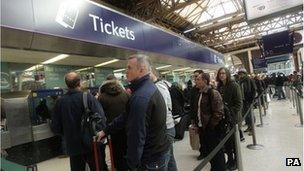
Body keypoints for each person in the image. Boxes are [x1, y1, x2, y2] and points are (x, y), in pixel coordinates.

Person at [96, 54, 170, 171]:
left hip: (149, 159)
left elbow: (136, 135)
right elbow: (126, 116)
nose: (126, 71)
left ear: (141, 70)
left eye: (129, 68)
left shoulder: (141, 97)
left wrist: (132, 164)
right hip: (158, 152)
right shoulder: (145, 89)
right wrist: (106, 131)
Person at [51, 72, 107, 171]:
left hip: (73, 146)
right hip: (91, 143)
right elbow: (101, 119)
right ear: (79, 83)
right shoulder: (88, 97)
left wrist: (67, 133)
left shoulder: (60, 102)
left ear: (66, 85)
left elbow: (55, 127)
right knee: (97, 167)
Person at [195, 72, 226, 171]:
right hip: (203, 128)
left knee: (217, 152)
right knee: (209, 151)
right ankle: (214, 167)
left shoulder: (213, 93)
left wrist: (210, 126)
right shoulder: (200, 93)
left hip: (212, 129)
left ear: (205, 81)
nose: (196, 81)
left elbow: (218, 112)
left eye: (198, 79)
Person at [98, 79, 130, 171]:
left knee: (116, 154)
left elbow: (101, 116)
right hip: (127, 129)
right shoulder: (126, 94)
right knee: (128, 152)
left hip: (112, 131)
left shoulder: (101, 98)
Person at [150, 67, 177, 171]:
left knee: (163, 162)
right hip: (168, 127)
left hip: (165, 129)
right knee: (169, 159)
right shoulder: (161, 85)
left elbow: (162, 112)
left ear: (151, 73)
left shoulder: (158, 88)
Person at [216, 67, 243, 170]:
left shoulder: (234, 85)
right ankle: (230, 160)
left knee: (234, 142)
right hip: (223, 120)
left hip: (233, 118)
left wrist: (229, 113)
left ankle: (236, 161)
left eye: (223, 73)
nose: (221, 75)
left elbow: (239, 103)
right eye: (220, 74)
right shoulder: (219, 86)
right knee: (227, 143)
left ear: (227, 74)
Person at [189, 69, 204, 160]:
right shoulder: (193, 90)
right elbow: (192, 105)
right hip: (197, 117)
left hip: (206, 118)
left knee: (207, 137)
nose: (195, 78)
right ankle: (202, 152)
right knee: (200, 136)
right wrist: (192, 118)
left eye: (197, 76)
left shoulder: (209, 89)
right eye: (194, 76)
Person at [238, 69, 257, 135]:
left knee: (250, 114)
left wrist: (252, 99)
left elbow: (254, 89)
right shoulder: (240, 81)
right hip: (243, 100)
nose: (240, 75)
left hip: (249, 100)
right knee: (246, 114)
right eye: (239, 74)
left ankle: (252, 128)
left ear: (244, 73)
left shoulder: (249, 80)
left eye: (241, 74)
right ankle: (249, 126)